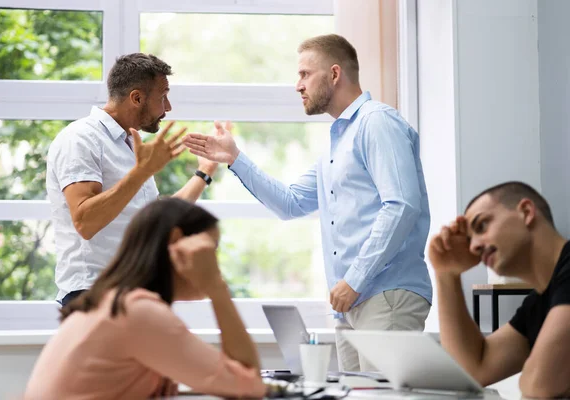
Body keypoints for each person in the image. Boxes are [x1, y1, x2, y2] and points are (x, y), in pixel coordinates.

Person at [183, 34, 432, 372]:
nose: (297, 85)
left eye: (304, 74)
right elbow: (290, 203)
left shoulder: (377, 122)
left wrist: (354, 279)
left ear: (334, 74)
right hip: (350, 303)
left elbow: (402, 205)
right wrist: (235, 158)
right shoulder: (334, 145)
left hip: (385, 295)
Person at [24, 198, 266, 400]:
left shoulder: (109, 302)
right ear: (175, 241)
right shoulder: (138, 313)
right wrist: (216, 287)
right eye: (211, 249)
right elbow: (249, 384)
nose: (214, 262)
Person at [46, 53, 217, 306]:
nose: (167, 107)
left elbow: (158, 218)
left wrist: (205, 173)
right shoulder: (81, 138)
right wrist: (142, 172)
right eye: (163, 97)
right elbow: (85, 221)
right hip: (94, 294)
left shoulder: (128, 145)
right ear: (136, 98)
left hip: (132, 292)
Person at [429, 181, 570, 398]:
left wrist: (532, 375)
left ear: (526, 212)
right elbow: (475, 370)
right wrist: (446, 273)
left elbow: (541, 384)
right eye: (469, 240)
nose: (474, 246)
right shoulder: (538, 303)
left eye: (482, 226)